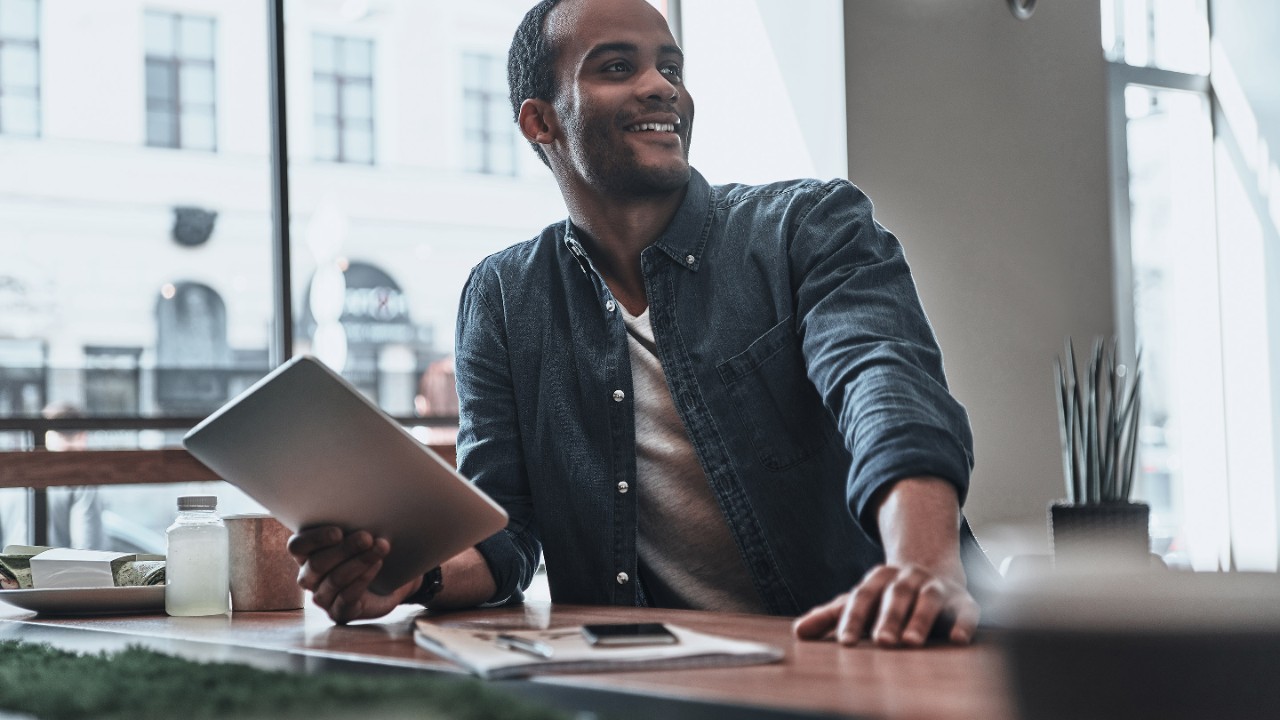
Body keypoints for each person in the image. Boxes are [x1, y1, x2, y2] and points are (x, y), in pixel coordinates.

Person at [290, 0, 997, 648]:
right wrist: (411, 578)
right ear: (540, 121)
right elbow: (503, 533)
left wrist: (924, 562)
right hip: (656, 678)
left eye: (671, 66)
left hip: (885, 648)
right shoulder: (505, 296)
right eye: (617, 67)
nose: (663, 87)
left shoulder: (806, 227)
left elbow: (884, 383)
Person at [0, 402, 107, 550]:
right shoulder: (80, 477)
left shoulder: (14, 472)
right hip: (55, 572)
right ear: (82, 435)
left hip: (10, 571)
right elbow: (88, 550)